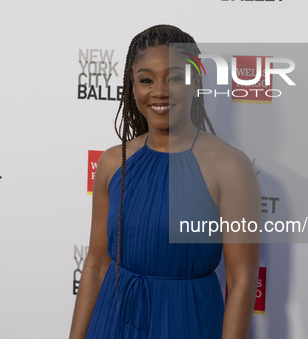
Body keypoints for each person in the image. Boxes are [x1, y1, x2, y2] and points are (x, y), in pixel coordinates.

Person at [69, 25, 261, 339]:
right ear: (133, 87)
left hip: (188, 320)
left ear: (196, 82)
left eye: (174, 78)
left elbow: (241, 280)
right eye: (147, 80)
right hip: (112, 319)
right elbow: (95, 264)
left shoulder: (229, 166)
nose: (160, 91)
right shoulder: (111, 162)